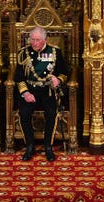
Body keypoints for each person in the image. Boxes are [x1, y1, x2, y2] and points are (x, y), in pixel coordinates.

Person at [14, 26, 69, 162]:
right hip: (30, 90)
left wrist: (58, 79)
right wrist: (25, 93)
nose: (34, 43)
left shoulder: (55, 52)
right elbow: (18, 77)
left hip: (47, 91)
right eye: (32, 39)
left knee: (51, 113)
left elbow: (64, 73)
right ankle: (30, 146)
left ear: (45, 39)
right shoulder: (23, 53)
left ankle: (48, 146)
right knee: (24, 113)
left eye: (37, 40)